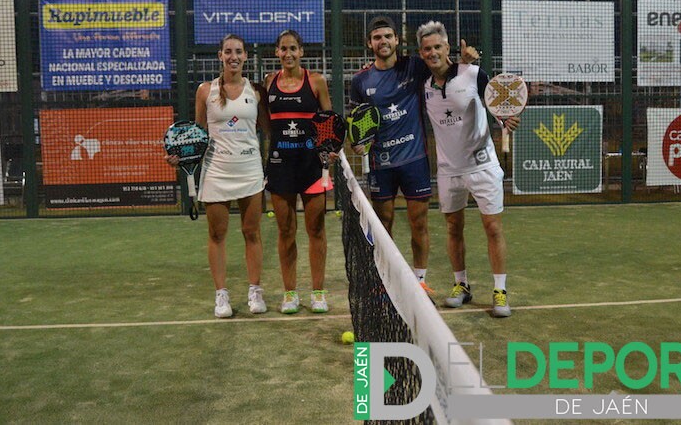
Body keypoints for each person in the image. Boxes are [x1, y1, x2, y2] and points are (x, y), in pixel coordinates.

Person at [350, 16, 478, 298]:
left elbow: (445, 68)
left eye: (388, 36)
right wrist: (359, 144)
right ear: (369, 43)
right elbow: (358, 122)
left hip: (414, 161)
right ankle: (383, 279)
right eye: (377, 37)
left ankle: (419, 281)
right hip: (381, 164)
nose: (383, 41)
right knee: (383, 227)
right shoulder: (360, 81)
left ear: (397, 40)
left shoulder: (416, 66)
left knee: (418, 223)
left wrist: (467, 62)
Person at [417, 20, 520, 317]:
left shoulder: (474, 74)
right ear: (421, 53)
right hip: (449, 170)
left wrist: (505, 120)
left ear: (448, 47)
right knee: (453, 228)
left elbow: (497, 105)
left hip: (482, 165)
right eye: (427, 49)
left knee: (492, 227)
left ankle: (500, 291)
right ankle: (461, 284)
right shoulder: (422, 84)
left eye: (438, 46)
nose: (433, 52)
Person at [166, 34, 269, 318]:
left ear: (246, 56)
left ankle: (255, 291)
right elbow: (196, 135)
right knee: (217, 234)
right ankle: (221, 296)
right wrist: (180, 155)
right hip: (217, 171)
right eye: (228, 52)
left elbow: (267, 130)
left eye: (238, 52)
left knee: (251, 232)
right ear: (220, 56)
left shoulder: (257, 91)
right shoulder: (205, 91)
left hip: (249, 171)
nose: (233, 56)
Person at [265, 29, 334, 314]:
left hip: (312, 167)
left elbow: (328, 120)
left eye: (293, 48)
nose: (288, 53)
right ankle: (290, 293)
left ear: (301, 51)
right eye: (283, 49)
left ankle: (318, 292)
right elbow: (265, 123)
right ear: (277, 52)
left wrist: (329, 148)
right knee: (285, 230)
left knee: (316, 228)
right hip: (281, 167)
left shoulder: (316, 81)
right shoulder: (269, 82)